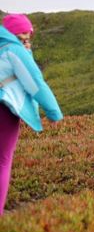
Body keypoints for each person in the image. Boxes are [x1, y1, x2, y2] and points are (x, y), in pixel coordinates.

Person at [0, 14, 63, 215]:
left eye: (28, 38)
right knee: (2, 161)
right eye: (23, 37)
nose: (26, 42)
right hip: (4, 111)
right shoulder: (14, 51)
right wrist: (53, 112)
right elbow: (35, 84)